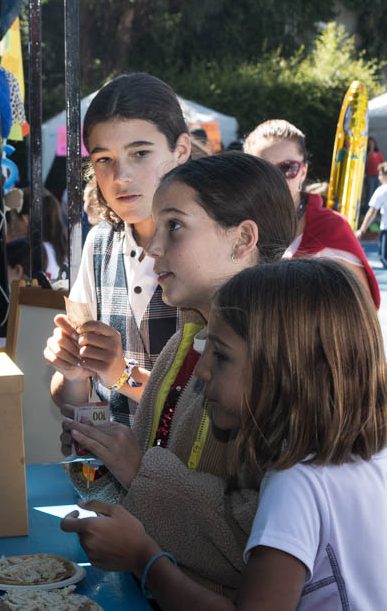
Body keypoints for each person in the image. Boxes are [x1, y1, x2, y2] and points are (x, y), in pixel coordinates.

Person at [64, 258, 387, 610]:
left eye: (221, 355)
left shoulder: (297, 484)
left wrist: (144, 559)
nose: (201, 370)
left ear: (282, 369)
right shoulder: (369, 458)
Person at [51, 152, 297, 595]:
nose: (152, 247)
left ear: (242, 239)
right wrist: (106, 462)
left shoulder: (281, 367)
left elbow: (254, 544)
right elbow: (149, 494)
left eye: (175, 226)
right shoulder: (185, 340)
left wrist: (138, 468)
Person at [45, 73, 190, 427]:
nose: (121, 175)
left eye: (140, 153)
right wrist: (74, 372)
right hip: (114, 477)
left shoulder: (212, 248)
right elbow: (70, 399)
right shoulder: (98, 246)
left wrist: (122, 374)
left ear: (181, 151)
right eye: (104, 159)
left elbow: (225, 403)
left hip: (194, 478)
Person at [243, 119, 379, 306]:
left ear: (303, 171)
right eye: (264, 169)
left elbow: (362, 317)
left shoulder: (332, 230)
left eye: (288, 168)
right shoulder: (231, 226)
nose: (276, 180)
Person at [364, 136, 384, 209]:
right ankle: (368, 208)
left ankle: (377, 209)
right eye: (370, 143)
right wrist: (370, 152)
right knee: (370, 192)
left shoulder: (378, 153)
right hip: (370, 176)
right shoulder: (366, 153)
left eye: (372, 143)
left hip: (378, 176)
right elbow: (364, 162)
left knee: (378, 192)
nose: (371, 145)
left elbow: (382, 163)